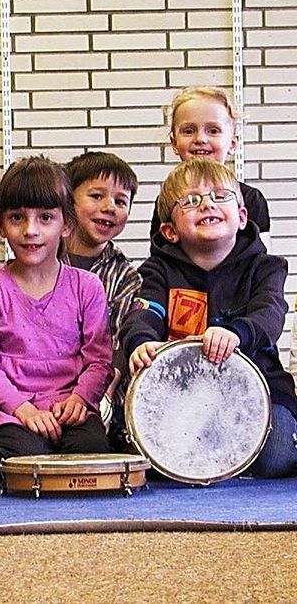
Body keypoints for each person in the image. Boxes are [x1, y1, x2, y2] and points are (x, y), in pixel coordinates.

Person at [120, 158, 297, 478]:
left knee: (277, 457)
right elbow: (144, 311)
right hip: (184, 396)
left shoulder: (266, 267)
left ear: (242, 216)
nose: (206, 205)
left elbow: (270, 313)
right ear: (170, 231)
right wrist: (141, 342)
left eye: (220, 196)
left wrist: (238, 333)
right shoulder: (158, 271)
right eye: (190, 201)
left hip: (262, 389)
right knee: (147, 460)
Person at [0, 156, 113, 487]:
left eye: (45, 218)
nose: (30, 230)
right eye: (17, 217)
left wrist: (81, 399)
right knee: (21, 463)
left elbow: (99, 359)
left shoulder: (86, 286)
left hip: (70, 407)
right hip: (13, 411)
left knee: (91, 453)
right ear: (1, 224)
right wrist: (24, 410)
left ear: (66, 225)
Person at [65, 151, 141, 439]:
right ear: (68, 199)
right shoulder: (42, 266)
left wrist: (102, 396)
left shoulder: (127, 277)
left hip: (103, 393)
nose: (109, 207)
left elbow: (121, 344)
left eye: (120, 201)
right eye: (97, 196)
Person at [150, 86, 271, 249]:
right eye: (188, 131)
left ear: (233, 142)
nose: (200, 138)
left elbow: (265, 263)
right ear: (174, 143)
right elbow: (160, 261)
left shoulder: (251, 200)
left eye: (213, 131)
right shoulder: (167, 202)